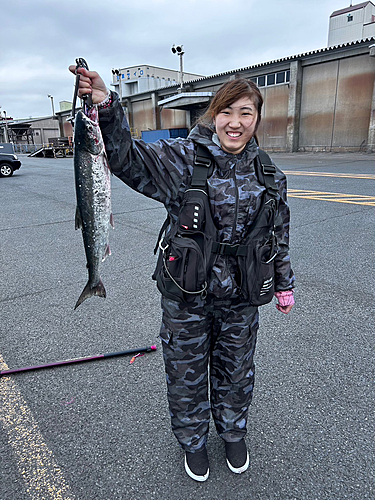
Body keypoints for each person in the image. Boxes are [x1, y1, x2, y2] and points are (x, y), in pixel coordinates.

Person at [69, 64, 295, 482]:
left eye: (246, 112)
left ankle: (233, 432)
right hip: (185, 294)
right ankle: (193, 441)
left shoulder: (269, 174)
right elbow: (124, 159)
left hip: (242, 297)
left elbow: (277, 234)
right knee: (185, 371)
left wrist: (284, 282)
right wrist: (106, 105)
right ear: (214, 114)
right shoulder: (181, 159)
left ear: (257, 118)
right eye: (227, 111)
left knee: (236, 369)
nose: (236, 122)